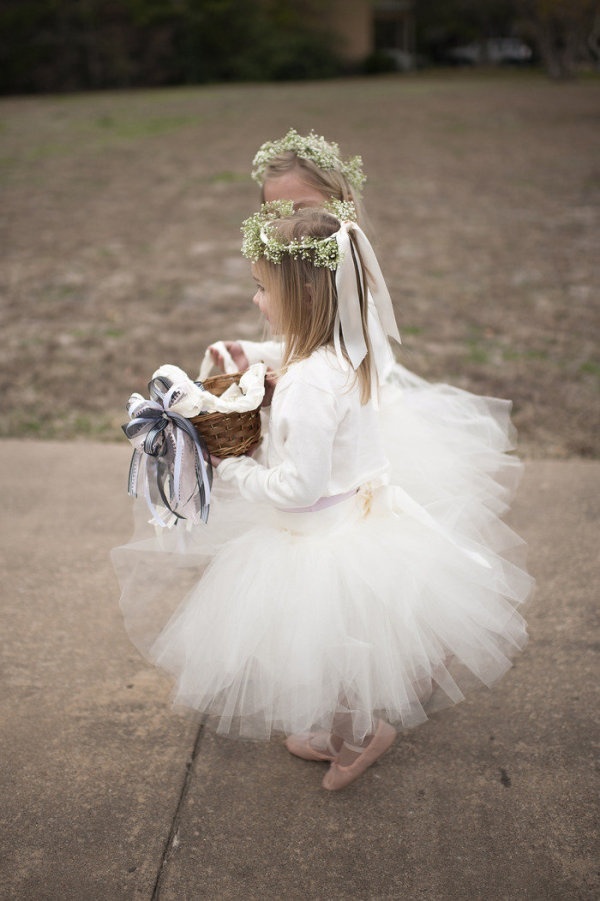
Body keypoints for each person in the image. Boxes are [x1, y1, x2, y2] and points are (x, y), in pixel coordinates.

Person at [114, 201, 532, 791]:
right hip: (359, 522)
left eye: (263, 289)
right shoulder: (338, 357)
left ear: (302, 297)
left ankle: (362, 735)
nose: (256, 301)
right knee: (340, 654)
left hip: (317, 536)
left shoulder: (308, 383)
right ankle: (344, 731)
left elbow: (296, 486)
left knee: (327, 658)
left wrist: (228, 467)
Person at [211, 130, 523, 541]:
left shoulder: (346, 287)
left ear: (343, 202)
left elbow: (348, 356)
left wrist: (285, 393)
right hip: (328, 420)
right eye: (275, 210)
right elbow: (314, 340)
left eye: (301, 206)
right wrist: (254, 353)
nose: (287, 218)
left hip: (360, 424)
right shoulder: (306, 282)